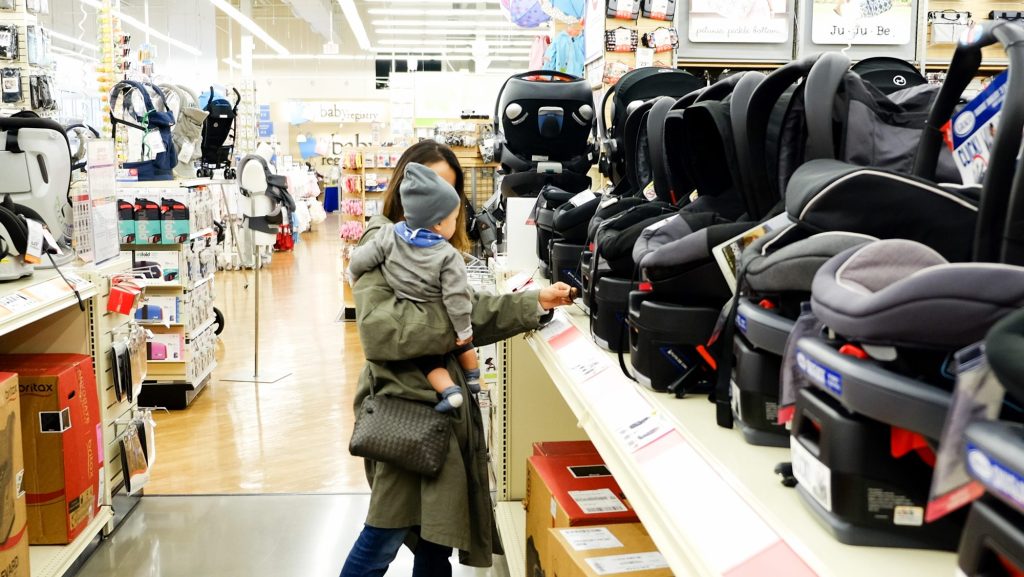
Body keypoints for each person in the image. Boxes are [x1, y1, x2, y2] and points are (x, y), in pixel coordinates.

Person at [340, 140, 574, 577]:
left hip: (445, 422)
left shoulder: (438, 252)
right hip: (402, 414)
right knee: (383, 536)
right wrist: (455, 326)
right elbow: (380, 333)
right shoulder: (382, 239)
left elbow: (472, 310)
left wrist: (535, 301)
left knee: (436, 543)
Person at [347, 162, 481, 412]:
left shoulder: (388, 235)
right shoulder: (447, 256)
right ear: (440, 224)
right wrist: (464, 329)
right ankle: (465, 384)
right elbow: (456, 298)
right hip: (435, 312)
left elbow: (362, 258)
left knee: (430, 362)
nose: (456, 223)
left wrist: (352, 274)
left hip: (407, 309)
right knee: (460, 347)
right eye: (454, 218)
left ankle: (452, 389)